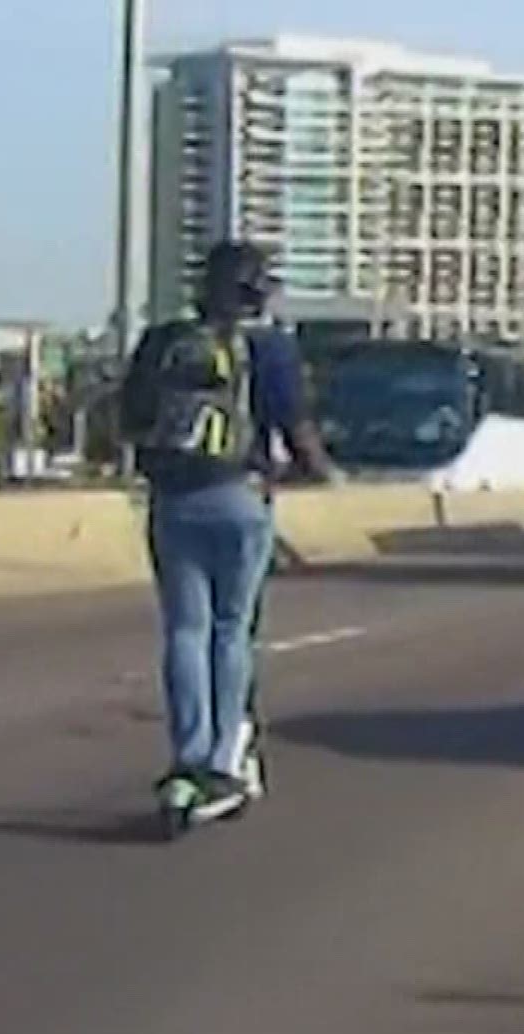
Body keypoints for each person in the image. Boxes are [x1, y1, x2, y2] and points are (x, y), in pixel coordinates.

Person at [120, 240, 341, 813]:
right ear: (258, 293)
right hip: (241, 499)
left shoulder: (162, 342)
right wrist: (316, 473)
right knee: (232, 629)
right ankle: (223, 759)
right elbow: (297, 429)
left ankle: (188, 754)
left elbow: (128, 421)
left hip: (174, 501)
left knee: (184, 631)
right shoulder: (269, 349)